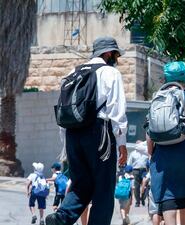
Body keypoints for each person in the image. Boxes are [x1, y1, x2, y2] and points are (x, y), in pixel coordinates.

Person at [46, 36, 128, 225]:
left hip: (73, 133)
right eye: (115, 55)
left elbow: (64, 109)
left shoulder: (72, 73)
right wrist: (121, 144)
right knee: (104, 189)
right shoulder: (110, 73)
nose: (116, 59)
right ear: (108, 53)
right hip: (100, 133)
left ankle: (61, 218)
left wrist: (66, 146)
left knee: (80, 185)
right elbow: (117, 111)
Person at [146, 61, 185, 225]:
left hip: (163, 154)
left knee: (167, 195)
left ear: (166, 78)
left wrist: (151, 151)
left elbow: (150, 129)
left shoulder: (157, 97)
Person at [127, 140, 149, 207]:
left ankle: (143, 198)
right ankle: (137, 201)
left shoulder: (146, 153)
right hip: (135, 170)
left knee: (145, 185)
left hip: (144, 171)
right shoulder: (133, 153)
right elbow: (129, 163)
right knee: (136, 187)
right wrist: (128, 172)